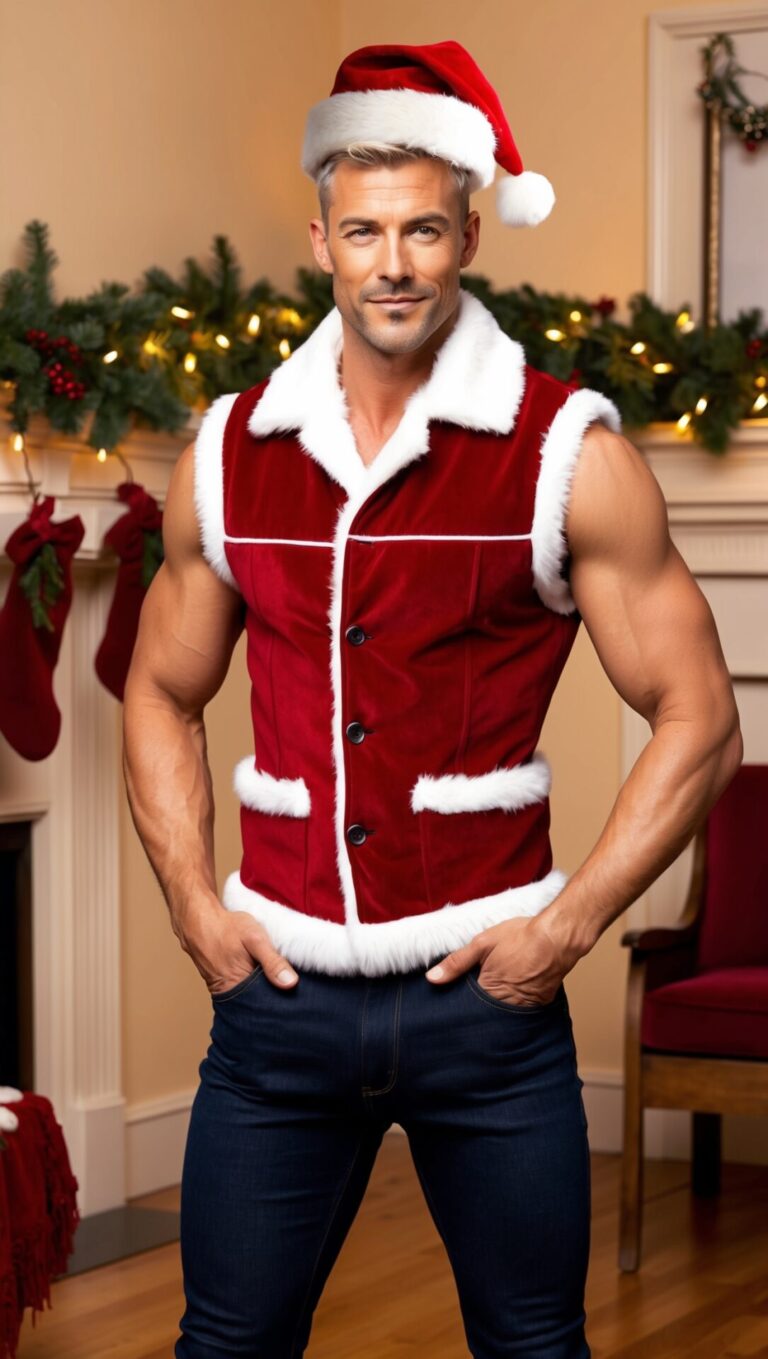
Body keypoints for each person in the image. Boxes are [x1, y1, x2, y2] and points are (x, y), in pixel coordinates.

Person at [122, 39, 743, 1359]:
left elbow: (698, 714)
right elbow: (160, 694)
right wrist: (193, 905)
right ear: (322, 238)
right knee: (224, 1344)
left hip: (489, 1007)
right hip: (276, 1005)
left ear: (466, 233)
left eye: (421, 229)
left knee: (533, 1347)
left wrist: (566, 930)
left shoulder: (570, 454)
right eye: (363, 230)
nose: (392, 261)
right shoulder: (228, 455)